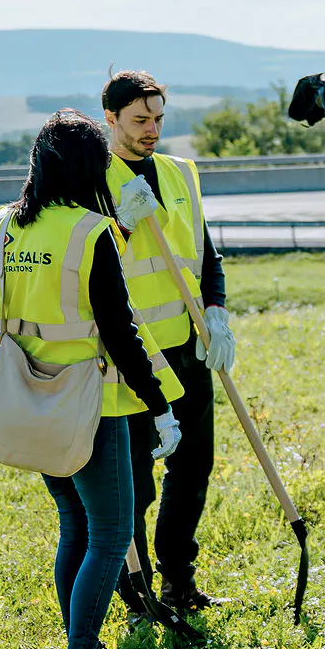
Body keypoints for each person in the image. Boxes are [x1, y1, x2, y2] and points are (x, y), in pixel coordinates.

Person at [0, 110, 184, 649]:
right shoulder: (92, 231)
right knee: (112, 532)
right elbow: (121, 332)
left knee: (74, 522)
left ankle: (78, 647)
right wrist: (160, 405)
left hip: (32, 398)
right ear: (93, 167)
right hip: (95, 402)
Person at [100, 70, 236, 615]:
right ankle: (136, 590)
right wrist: (124, 226)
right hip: (130, 354)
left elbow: (204, 252)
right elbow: (88, 264)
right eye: (140, 120)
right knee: (137, 478)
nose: (152, 129)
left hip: (187, 344)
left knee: (194, 465)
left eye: (158, 118)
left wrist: (218, 311)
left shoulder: (180, 173)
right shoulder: (92, 178)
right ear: (110, 118)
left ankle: (179, 577)